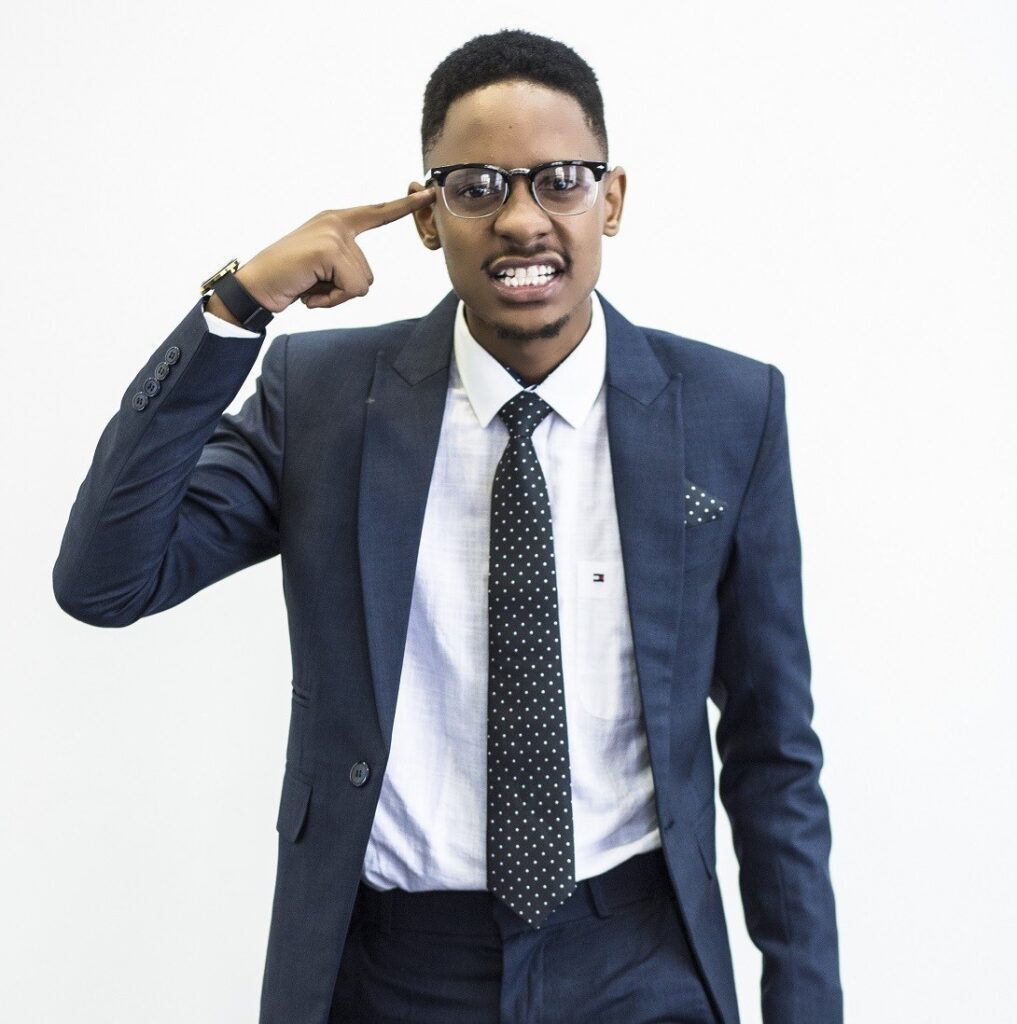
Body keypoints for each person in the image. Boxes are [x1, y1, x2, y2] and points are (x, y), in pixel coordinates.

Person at [53, 28, 841, 1024]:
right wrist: (237, 304)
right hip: (392, 969)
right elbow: (105, 581)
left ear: (613, 198)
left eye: (560, 179)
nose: (522, 220)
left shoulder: (730, 410)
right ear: (429, 218)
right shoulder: (324, 400)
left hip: (638, 959)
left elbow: (776, 749)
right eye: (475, 186)